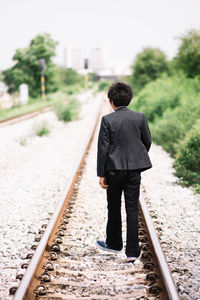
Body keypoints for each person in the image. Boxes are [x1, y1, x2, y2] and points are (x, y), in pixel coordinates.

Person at [96, 81, 152, 260]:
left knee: (113, 207)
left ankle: (114, 244)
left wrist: (101, 174)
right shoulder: (140, 118)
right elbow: (147, 141)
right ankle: (132, 253)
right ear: (129, 99)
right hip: (134, 171)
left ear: (111, 102)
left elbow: (102, 149)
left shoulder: (107, 120)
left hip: (113, 172)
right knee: (132, 209)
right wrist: (135, 158)